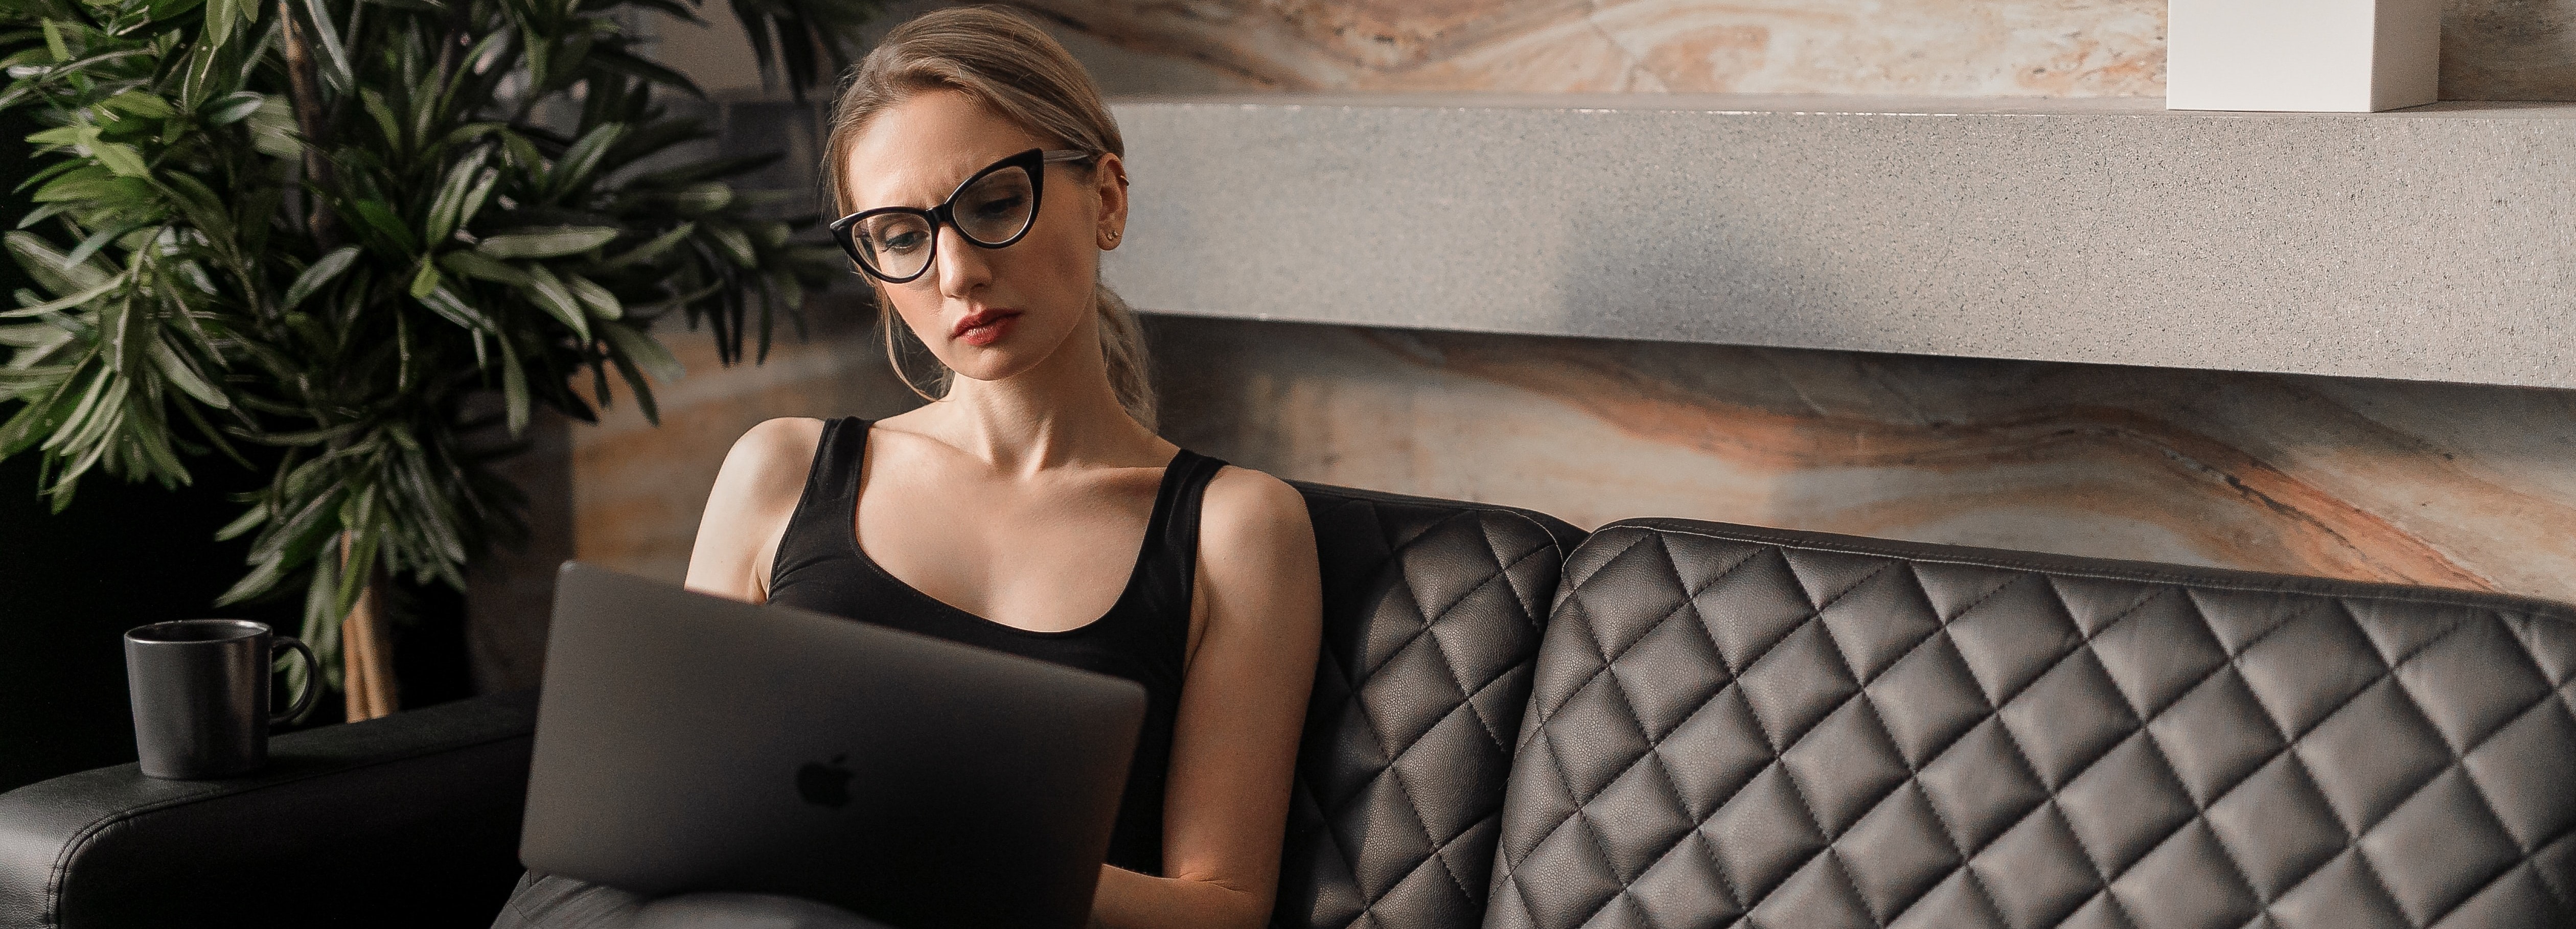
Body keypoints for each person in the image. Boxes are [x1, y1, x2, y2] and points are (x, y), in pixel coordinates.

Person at [489, 7, 1324, 928]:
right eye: (899, 236)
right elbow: (663, 808)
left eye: (996, 203)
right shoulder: (780, 470)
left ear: (1109, 199)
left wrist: (936, 859)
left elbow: (1224, 910)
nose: (957, 272)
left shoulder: (1236, 527)